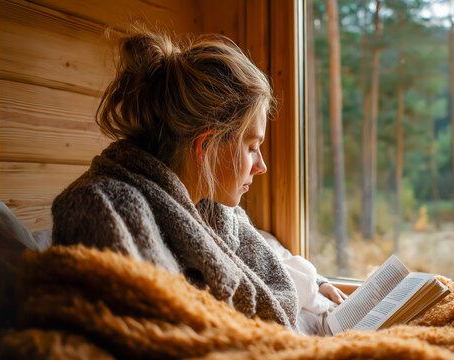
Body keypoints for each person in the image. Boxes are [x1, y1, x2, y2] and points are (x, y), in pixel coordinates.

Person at [51, 28, 345, 336]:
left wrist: (318, 284)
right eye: (252, 147)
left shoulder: (215, 212)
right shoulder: (104, 208)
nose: (262, 166)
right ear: (206, 147)